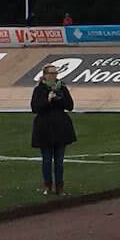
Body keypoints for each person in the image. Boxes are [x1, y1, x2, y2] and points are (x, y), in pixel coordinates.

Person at [31, 63, 77, 195]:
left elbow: (70, 106)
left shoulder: (61, 87)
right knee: (46, 160)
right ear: (45, 75)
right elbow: (35, 108)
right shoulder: (39, 89)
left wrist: (59, 99)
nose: (54, 76)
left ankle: (60, 186)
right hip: (44, 128)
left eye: (55, 73)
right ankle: (47, 186)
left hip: (61, 127)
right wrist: (48, 100)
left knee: (59, 161)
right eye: (51, 73)